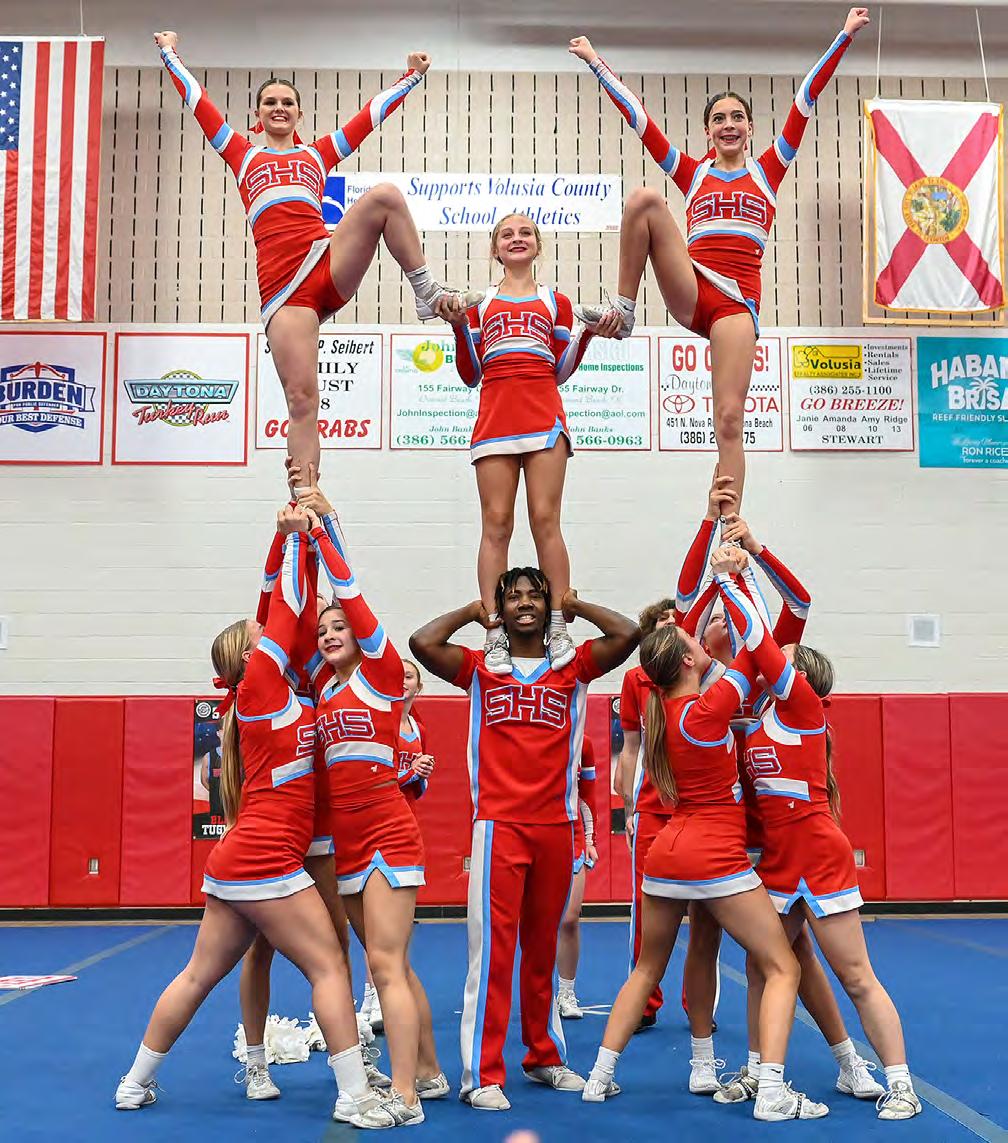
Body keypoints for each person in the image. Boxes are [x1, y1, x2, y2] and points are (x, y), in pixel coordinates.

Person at [114, 506, 391, 1129]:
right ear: (252, 652)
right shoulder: (264, 684)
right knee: (328, 965)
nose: (263, 624)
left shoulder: (268, 691)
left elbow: (279, 603)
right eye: (255, 631)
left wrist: (293, 537)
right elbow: (285, 606)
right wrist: (297, 539)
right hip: (266, 860)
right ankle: (353, 1095)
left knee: (197, 975)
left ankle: (134, 1083)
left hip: (239, 860)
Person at [569, 8, 870, 506]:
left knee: (729, 419)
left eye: (736, 118)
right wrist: (595, 62)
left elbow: (806, 98)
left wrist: (844, 36)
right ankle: (622, 311)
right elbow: (639, 119)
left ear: (749, 128)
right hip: (692, 284)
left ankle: (728, 524)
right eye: (718, 119)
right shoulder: (693, 174)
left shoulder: (768, 171)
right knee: (643, 200)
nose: (728, 125)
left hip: (736, 304)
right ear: (707, 132)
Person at [584, 546, 829, 1122]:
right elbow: (757, 647)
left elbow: (704, 643)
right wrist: (734, 579)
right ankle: (772, 1091)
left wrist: (722, 581)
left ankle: (598, 1077)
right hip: (713, 853)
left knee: (646, 968)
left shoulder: (660, 705)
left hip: (666, 851)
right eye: (691, 641)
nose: (697, 637)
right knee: (782, 966)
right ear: (690, 660)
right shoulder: (709, 708)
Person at [155, 29, 462, 477]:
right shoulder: (242, 155)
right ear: (258, 115)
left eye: (287, 102)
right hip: (286, 292)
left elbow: (368, 117)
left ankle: (426, 292)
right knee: (302, 401)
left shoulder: (317, 155)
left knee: (386, 196)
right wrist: (169, 53)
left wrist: (411, 76)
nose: (279, 107)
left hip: (325, 261)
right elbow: (198, 101)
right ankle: (304, 498)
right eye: (270, 102)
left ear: (299, 113)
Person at [410, 569, 639, 1111]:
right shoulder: (480, 669)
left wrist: (573, 606)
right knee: (492, 954)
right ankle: (481, 1074)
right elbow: (422, 643)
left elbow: (629, 634)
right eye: (513, 597)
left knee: (542, 950)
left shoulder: (572, 667)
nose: (525, 602)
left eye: (535, 594)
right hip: (499, 826)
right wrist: (473, 614)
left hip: (557, 826)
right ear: (501, 610)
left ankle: (544, 1055)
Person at [683, 508, 883, 1104]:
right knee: (717, 945)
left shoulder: (773, 667)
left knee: (791, 957)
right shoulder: (708, 672)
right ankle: (712, 1060)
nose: (722, 624)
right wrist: (714, 558)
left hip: (775, 833)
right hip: (724, 827)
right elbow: (686, 617)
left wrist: (753, 548)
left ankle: (843, 1060)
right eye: (715, 622)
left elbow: (799, 599)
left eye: (730, 617)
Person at [299, 470, 447, 1125]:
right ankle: (429, 1073)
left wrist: (328, 528)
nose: (331, 633)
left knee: (386, 965)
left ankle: (407, 1097)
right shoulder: (323, 689)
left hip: (388, 835)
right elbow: (298, 614)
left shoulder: (383, 674)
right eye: (324, 630)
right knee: (390, 966)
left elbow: (351, 593)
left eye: (340, 627)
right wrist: (299, 540)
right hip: (349, 844)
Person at [732, 619, 921, 1120]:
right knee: (761, 968)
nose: (776, 656)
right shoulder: (763, 713)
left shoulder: (803, 707)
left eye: (786, 657)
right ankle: (760, 1070)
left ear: (798, 677)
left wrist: (733, 581)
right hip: (779, 860)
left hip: (818, 856)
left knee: (855, 975)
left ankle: (902, 1085)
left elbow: (761, 639)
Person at [436, 214, 619, 674]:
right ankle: (494, 633)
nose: (516, 239)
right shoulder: (478, 303)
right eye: (506, 234)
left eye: (525, 234)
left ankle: (557, 626)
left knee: (545, 520)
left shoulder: (557, 302)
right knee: (496, 525)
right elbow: (470, 374)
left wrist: (589, 334)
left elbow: (560, 370)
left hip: (544, 416)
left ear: (538, 245)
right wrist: (457, 326)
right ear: (494, 249)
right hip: (495, 417)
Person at [556, 736, 602, 1019]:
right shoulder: (527, 733)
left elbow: (588, 795)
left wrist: (589, 839)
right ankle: (534, 992)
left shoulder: (582, 742)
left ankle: (566, 991)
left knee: (570, 918)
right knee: (534, 922)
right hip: (532, 830)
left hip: (571, 833)